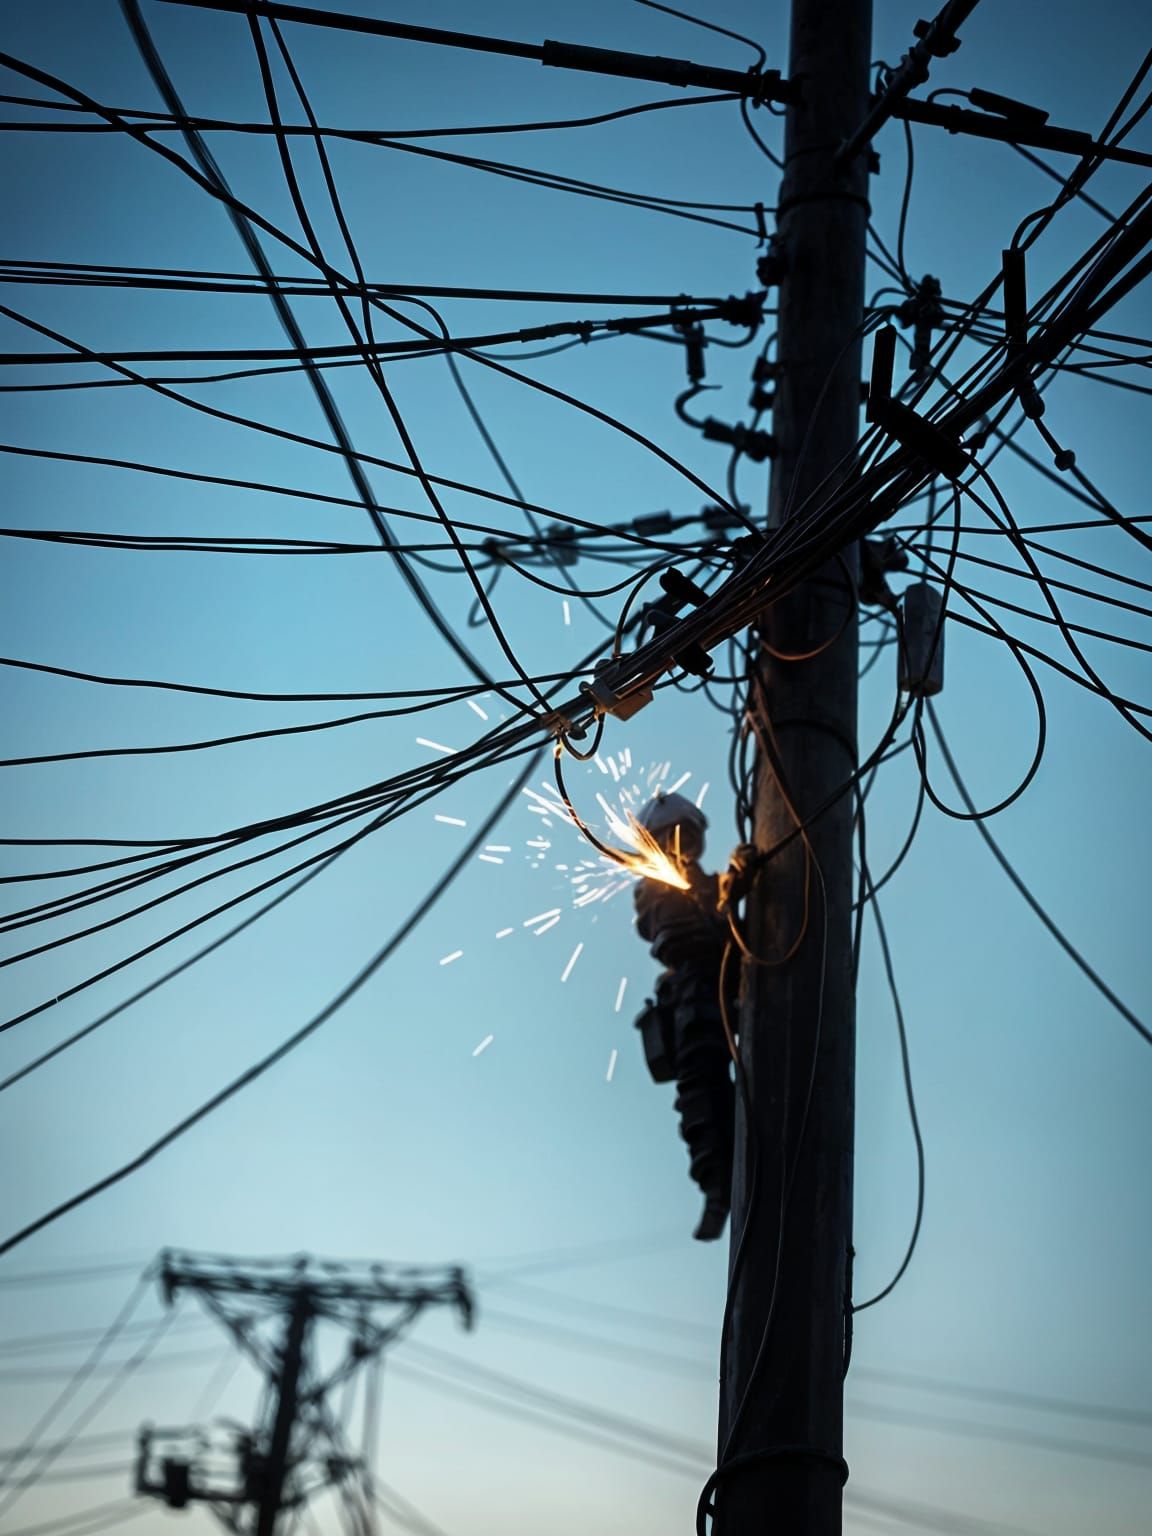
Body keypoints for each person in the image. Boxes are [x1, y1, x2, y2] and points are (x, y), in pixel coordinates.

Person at [632, 793, 737, 1242]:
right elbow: (683, 935)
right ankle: (717, 1185)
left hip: (732, 995)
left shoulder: (701, 884)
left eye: (688, 837)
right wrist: (731, 895)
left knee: (740, 1090)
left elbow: (731, 928)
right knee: (702, 1083)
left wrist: (736, 887)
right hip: (696, 998)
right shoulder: (656, 886)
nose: (683, 846)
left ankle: (736, 1168)